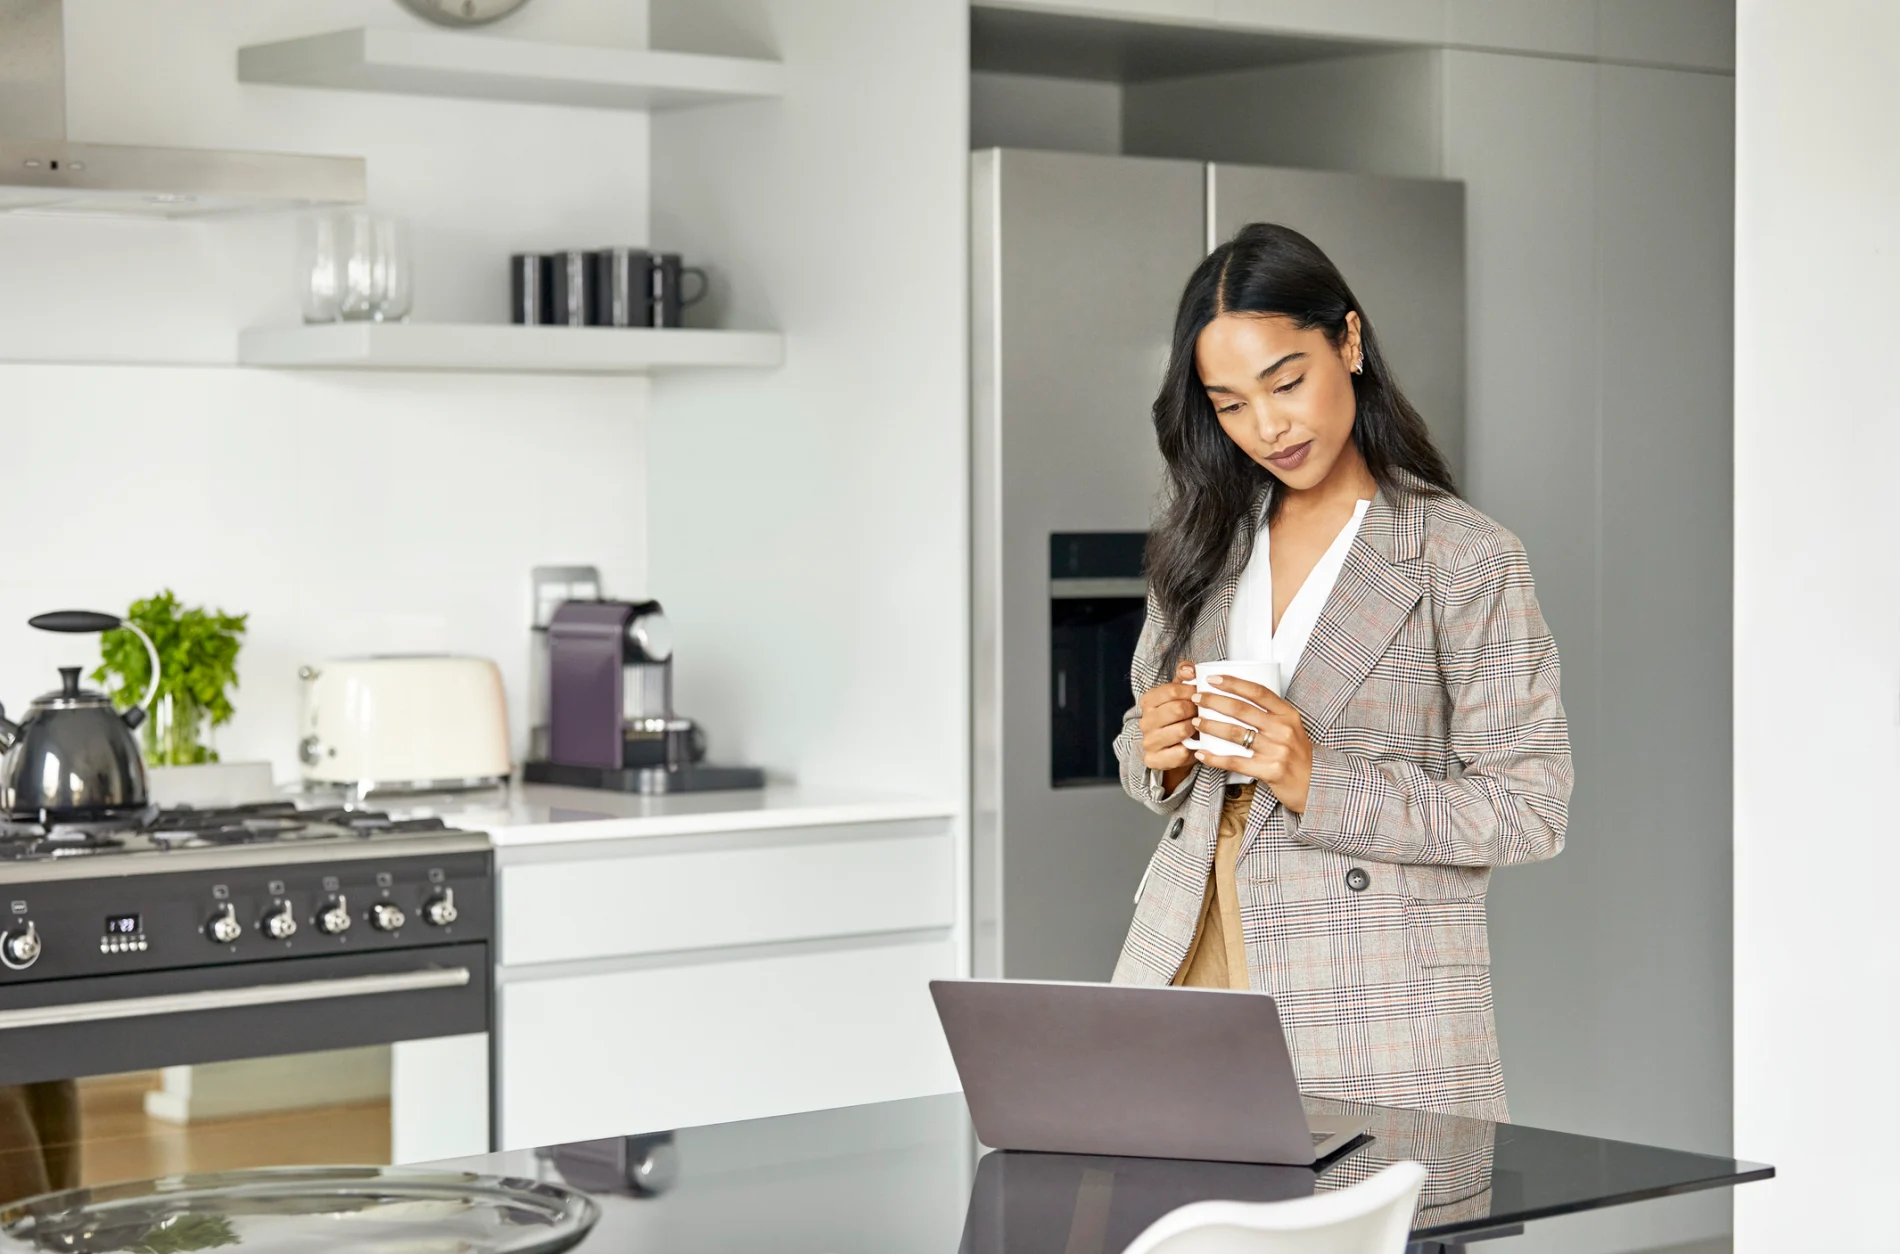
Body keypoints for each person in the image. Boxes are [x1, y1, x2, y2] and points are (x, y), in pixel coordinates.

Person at [1112, 223, 1572, 1120]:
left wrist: (1316, 778)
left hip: (1374, 1004)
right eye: (1230, 404)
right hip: (1186, 957)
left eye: (1286, 382)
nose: (1267, 425)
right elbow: (1144, 744)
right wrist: (1157, 749)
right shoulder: (1204, 538)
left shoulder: (1462, 557)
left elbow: (1531, 808)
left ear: (1349, 343)